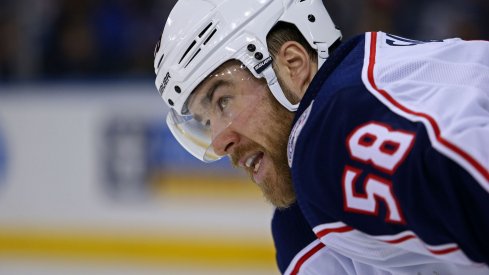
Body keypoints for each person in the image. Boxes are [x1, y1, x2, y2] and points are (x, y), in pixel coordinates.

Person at [153, 0, 489, 273]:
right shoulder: (300, 228)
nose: (218, 141)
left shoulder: (330, 140)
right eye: (204, 121)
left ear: (293, 65)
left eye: (222, 100)